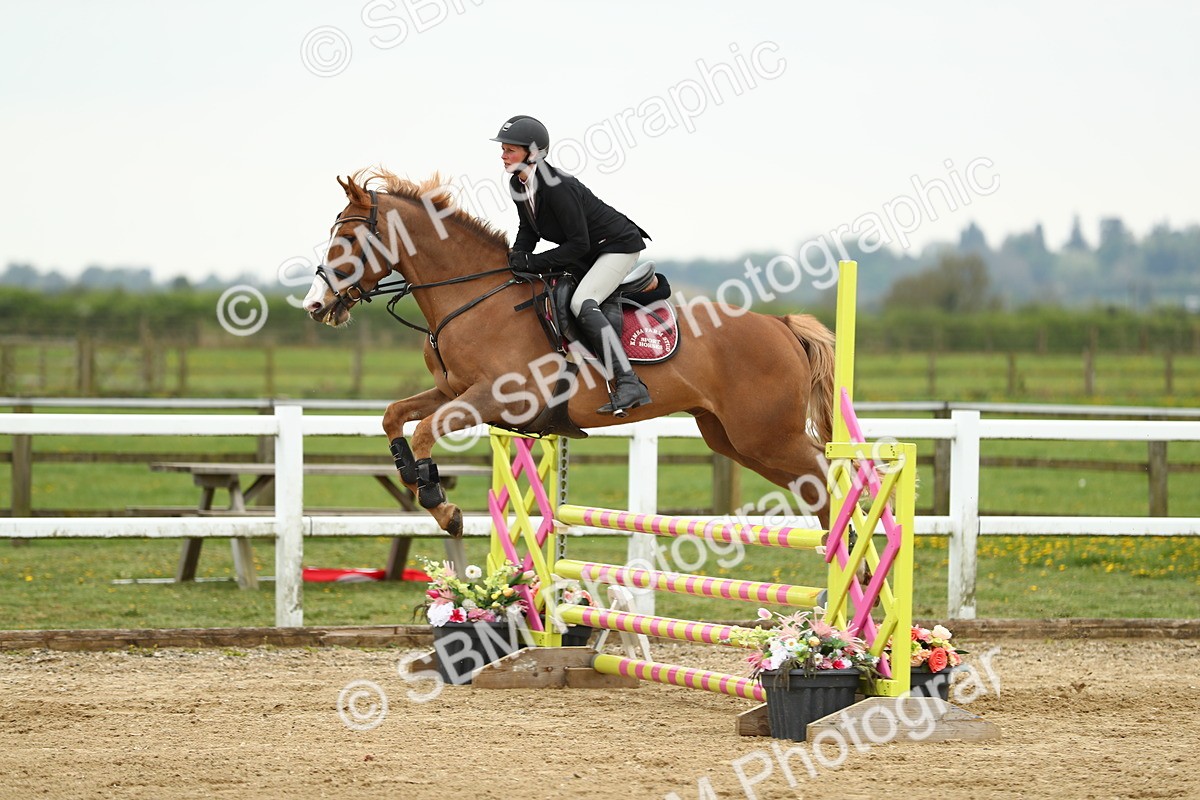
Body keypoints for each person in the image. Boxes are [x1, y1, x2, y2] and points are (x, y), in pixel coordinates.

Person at [491, 115, 652, 415]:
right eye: (503, 149)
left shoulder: (557, 188)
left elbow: (578, 244)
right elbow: (528, 228)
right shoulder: (518, 182)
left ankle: (629, 382)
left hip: (616, 247)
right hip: (587, 253)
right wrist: (516, 258)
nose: (503, 155)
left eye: (510, 150)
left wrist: (534, 261)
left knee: (581, 302)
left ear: (533, 153)